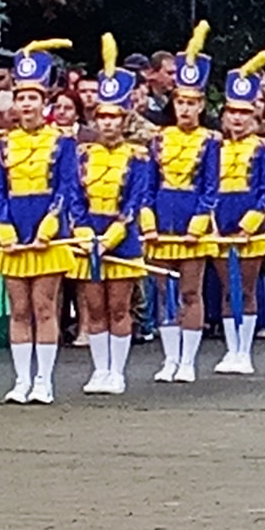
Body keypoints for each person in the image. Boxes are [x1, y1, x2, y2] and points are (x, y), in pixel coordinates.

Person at [0, 41, 80, 405]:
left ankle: (44, 380)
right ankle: (20, 379)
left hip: (46, 234)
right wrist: (4, 228)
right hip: (14, 232)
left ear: (45, 102)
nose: (26, 104)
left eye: (33, 98)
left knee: (44, 306)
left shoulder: (62, 141)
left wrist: (49, 227)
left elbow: (67, 188)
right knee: (19, 309)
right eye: (20, 97)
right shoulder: (3, 143)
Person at [67, 38, 151, 395]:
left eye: (114, 116)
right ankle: (99, 369)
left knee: (119, 305)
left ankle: (117, 370)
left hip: (122, 236)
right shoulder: (82, 153)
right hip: (89, 236)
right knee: (93, 305)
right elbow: (72, 196)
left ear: (125, 118)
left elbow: (138, 199)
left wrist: (114, 235)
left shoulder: (139, 155)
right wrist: (84, 231)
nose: (108, 123)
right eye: (102, 116)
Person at [144, 23, 217, 383]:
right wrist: (148, 221)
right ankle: (169, 356)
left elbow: (211, 186)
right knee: (163, 291)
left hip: (191, 219)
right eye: (180, 102)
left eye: (191, 103)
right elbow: (148, 183)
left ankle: (188, 358)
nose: (185, 109)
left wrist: (199, 222)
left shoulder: (210, 141)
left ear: (201, 104)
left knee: (190, 289)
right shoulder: (159, 139)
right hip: (162, 216)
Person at [211, 49, 265, 374]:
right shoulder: (215, 148)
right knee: (228, 288)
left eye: (244, 112)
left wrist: (251, 223)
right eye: (232, 112)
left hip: (250, 224)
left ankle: (245, 349)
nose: (237, 118)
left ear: (254, 116)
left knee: (247, 287)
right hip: (219, 221)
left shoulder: (264, 149)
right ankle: (230, 347)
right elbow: (205, 187)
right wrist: (210, 222)